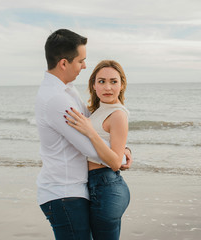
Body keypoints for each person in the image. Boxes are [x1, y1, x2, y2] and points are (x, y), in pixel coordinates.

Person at [35, 29, 132, 240]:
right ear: (63, 63)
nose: (84, 66)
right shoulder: (56, 99)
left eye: (114, 82)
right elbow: (91, 149)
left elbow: (96, 128)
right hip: (64, 192)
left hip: (75, 189)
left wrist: (122, 148)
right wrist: (120, 157)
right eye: (81, 61)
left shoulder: (68, 91)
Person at [65, 60, 130, 240]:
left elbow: (116, 163)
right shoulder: (97, 111)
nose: (107, 87)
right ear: (93, 85)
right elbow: (113, 142)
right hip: (96, 185)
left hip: (106, 187)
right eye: (101, 81)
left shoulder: (118, 114)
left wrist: (90, 132)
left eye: (113, 81)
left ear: (122, 84)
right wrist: (126, 149)